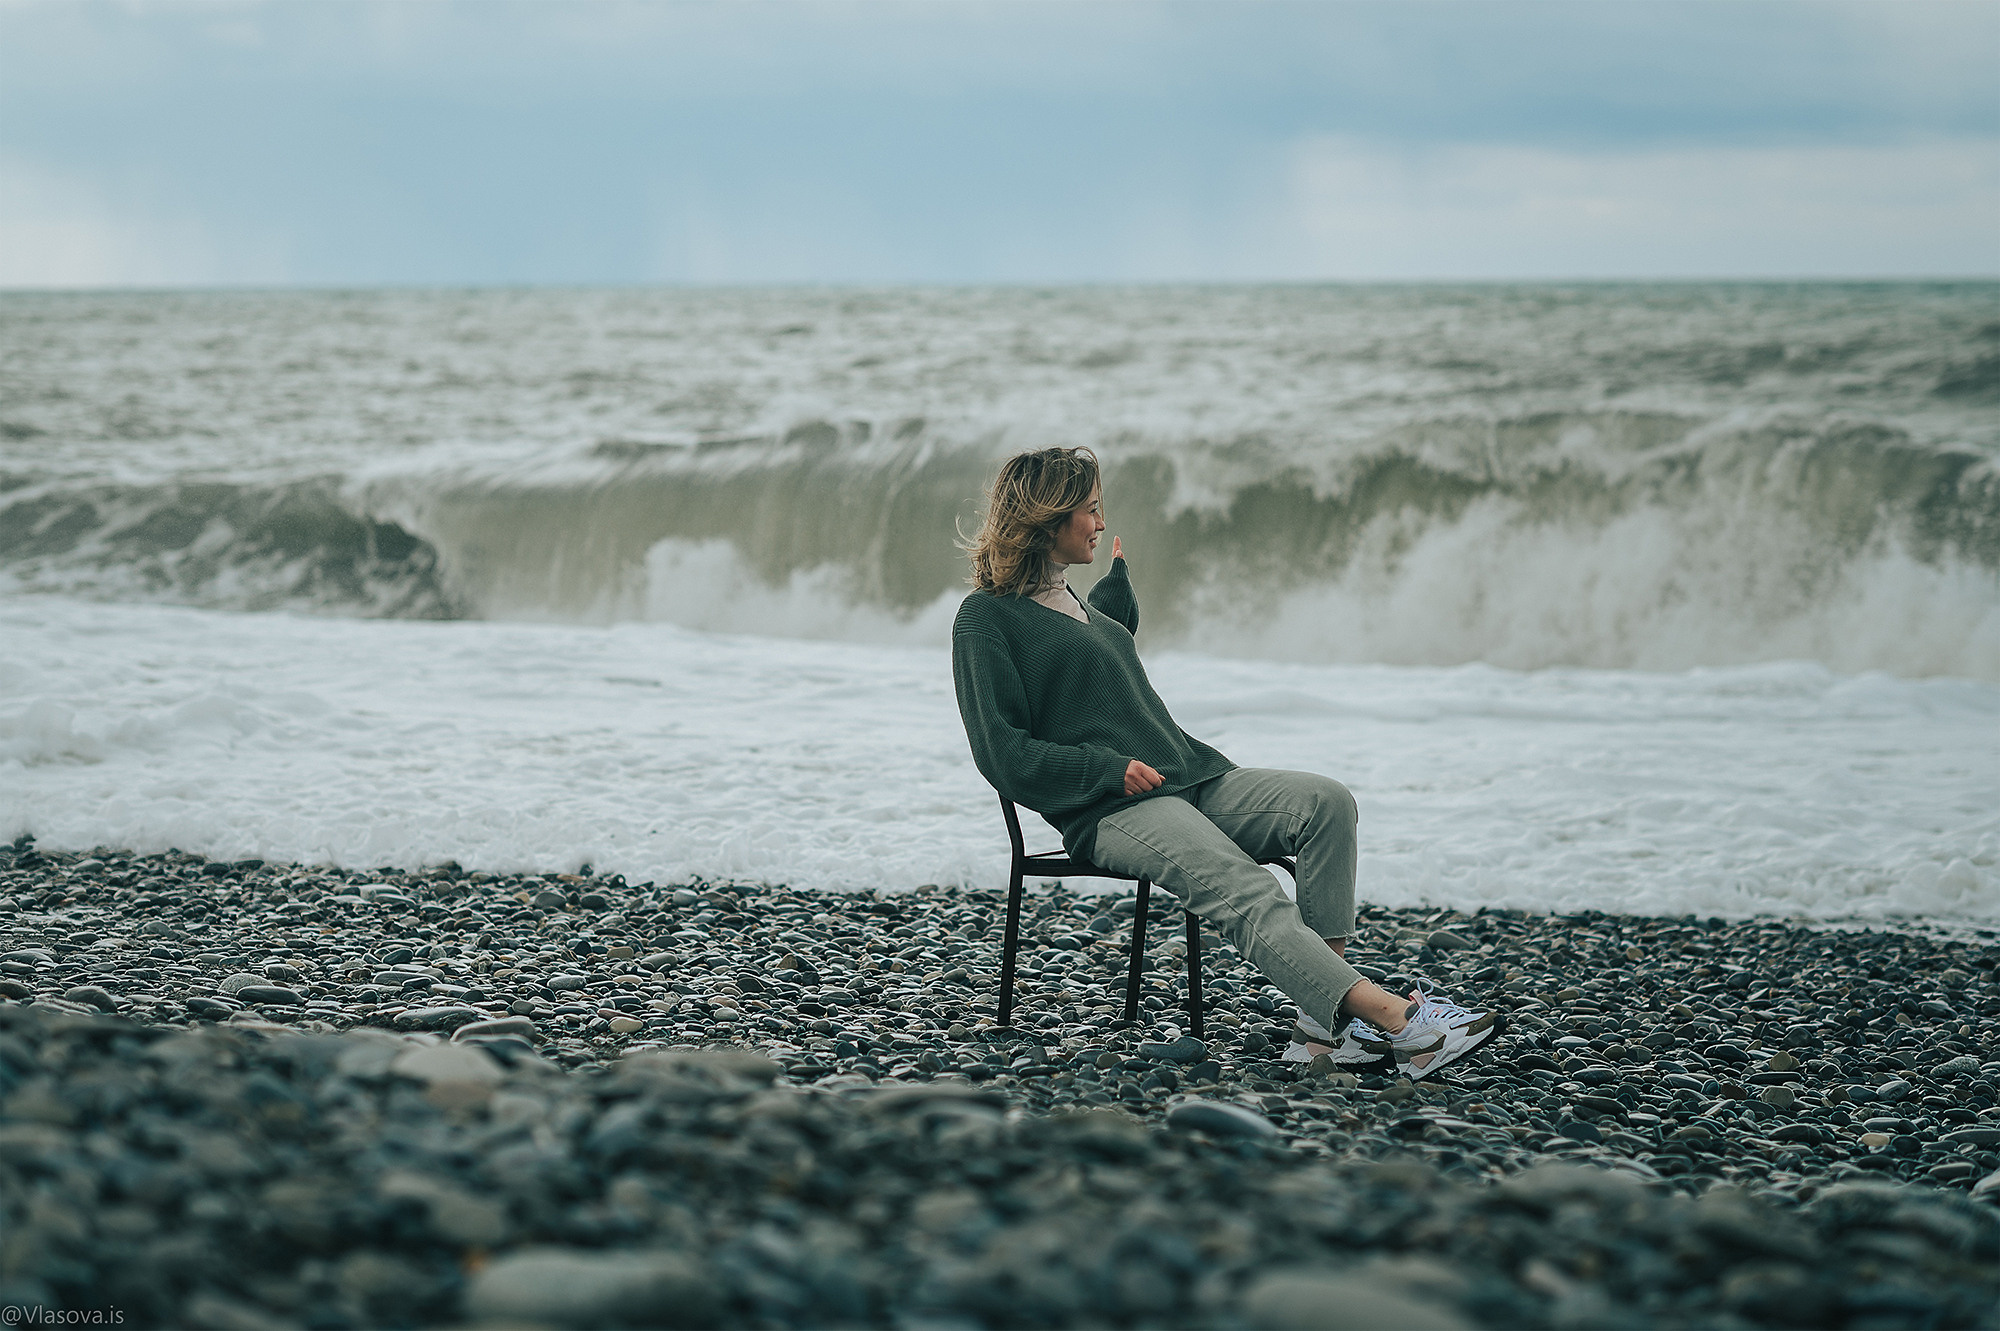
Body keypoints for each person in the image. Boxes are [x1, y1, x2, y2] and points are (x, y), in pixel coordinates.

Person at [951, 446, 1496, 1080]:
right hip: (1109, 807)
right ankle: (1398, 1021)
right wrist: (1106, 769)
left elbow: (1090, 671)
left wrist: (1117, 599)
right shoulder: (984, 619)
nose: (1101, 523)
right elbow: (1000, 750)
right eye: (1091, 511)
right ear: (1049, 519)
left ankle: (1322, 1029)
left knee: (1326, 803)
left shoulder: (1075, 603)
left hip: (1186, 775)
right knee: (1247, 886)